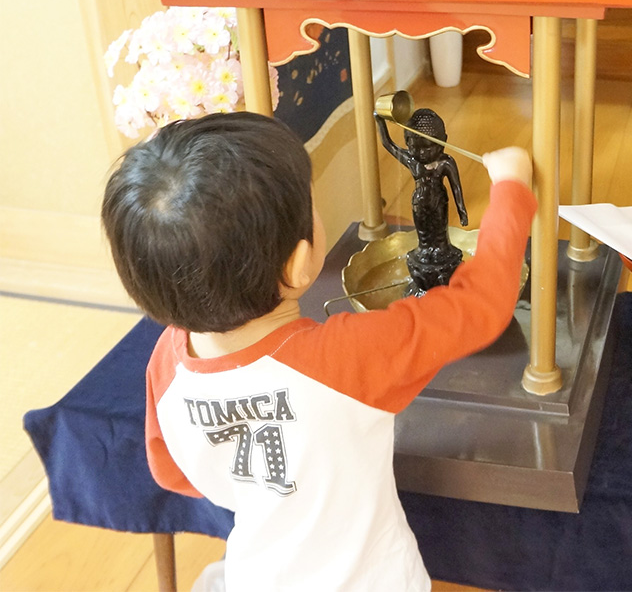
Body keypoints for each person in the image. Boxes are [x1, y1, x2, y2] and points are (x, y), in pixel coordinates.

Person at [101, 111, 536, 592]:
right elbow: (481, 305)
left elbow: (172, 472)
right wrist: (511, 187)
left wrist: (269, 488)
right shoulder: (347, 358)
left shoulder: (166, 363)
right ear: (298, 264)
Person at [374, 107, 469, 295]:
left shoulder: (445, 162)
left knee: (439, 232)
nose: (422, 153)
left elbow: (456, 188)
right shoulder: (413, 161)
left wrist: (462, 211)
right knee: (424, 233)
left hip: (439, 202)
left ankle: (441, 250)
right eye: (415, 147)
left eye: (428, 147)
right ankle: (425, 251)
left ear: (442, 142)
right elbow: (388, 144)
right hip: (419, 204)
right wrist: (380, 122)